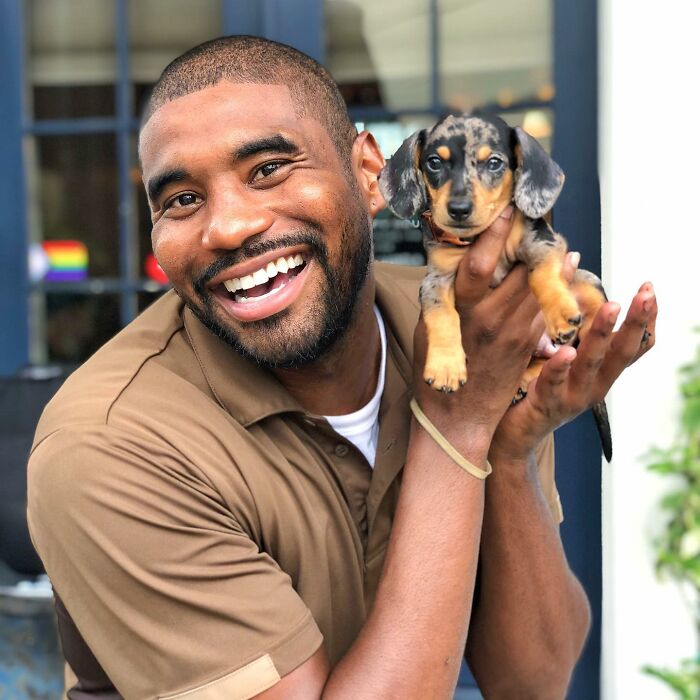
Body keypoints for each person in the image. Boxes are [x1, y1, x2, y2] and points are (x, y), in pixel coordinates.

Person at [27, 36, 656, 700]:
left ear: (368, 173)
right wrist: (460, 421)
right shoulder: (110, 445)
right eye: (181, 200)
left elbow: (532, 680)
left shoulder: (470, 334)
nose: (229, 227)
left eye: (269, 167)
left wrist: (507, 446)